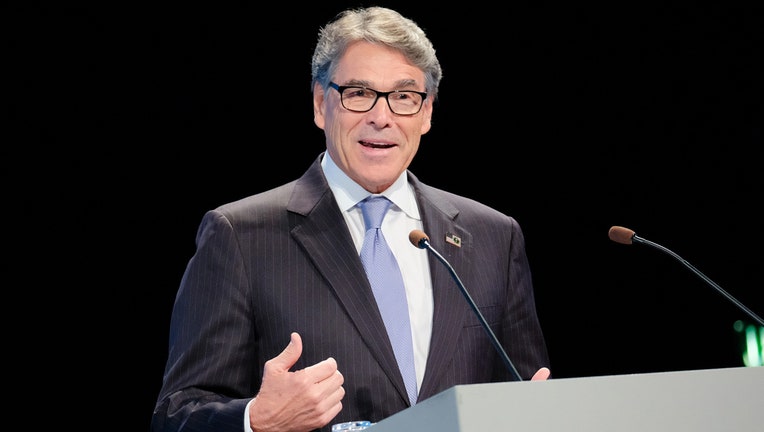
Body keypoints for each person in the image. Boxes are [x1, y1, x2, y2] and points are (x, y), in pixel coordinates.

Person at [151, 6, 551, 432]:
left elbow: (527, 391)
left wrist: (539, 413)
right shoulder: (240, 236)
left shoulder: (492, 236)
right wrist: (256, 419)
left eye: (403, 96)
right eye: (358, 93)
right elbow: (178, 414)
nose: (382, 117)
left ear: (427, 112)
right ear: (322, 104)